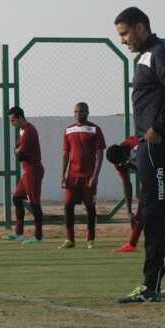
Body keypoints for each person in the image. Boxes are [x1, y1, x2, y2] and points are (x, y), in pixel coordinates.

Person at [114, 7, 165, 302]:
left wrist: (158, 127)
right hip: (148, 147)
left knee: (155, 215)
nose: (123, 40)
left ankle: (150, 285)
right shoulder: (145, 57)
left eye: (125, 33)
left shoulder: (160, 53)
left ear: (140, 28)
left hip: (161, 148)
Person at [59, 102, 105, 250]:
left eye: (81, 111)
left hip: (88, 177)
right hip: (72, 177)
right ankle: (69, 239)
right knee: (68, 206)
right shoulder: (68, 130)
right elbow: (66, 154)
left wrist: (95, 176)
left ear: (87, 112)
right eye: (76, 111)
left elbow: (99, 154)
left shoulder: (95, 129)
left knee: (90, 207)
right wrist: (63, 175)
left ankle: (90, 239)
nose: (78, 114)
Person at [3, 106, 44, 245]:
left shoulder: (29, 131)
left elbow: (19, 155)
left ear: (20, 117)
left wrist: (17, 150)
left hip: (33, 170)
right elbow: (17, 149)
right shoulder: (23, 131)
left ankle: (38, 237)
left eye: (13, 120)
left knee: (35, 203)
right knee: (17, 198)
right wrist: (17, 150)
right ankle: (19, 234)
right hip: (28, 170)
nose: (11, 123)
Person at [105, 136, 142, 253]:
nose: (122, 163)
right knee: (142, 212)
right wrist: (129, 211)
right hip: (150, 177)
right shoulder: (119, 162)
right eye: (119, 163)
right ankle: (132, 244)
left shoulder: (136, 144)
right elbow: (127, 184)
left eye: (122, 160)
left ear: (123, 151)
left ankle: (133, 244)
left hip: (163, 168)